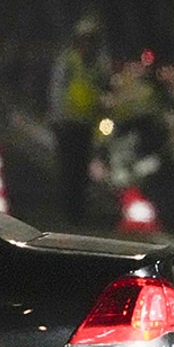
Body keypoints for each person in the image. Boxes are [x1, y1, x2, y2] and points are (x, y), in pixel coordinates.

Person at [46, 15, 110, 223]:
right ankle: (68, 210)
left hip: (86, 124)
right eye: (86, 39)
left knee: (82, 169)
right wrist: (57, 119)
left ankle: (79, 210)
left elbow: (102, 91)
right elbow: (56, 90)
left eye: (93, 40)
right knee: (68, 168)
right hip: (66, 123)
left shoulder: (98, 66)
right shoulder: (68, 61)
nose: (89, 45)